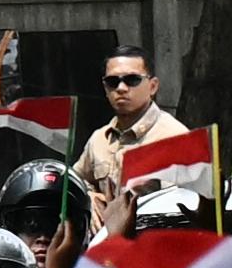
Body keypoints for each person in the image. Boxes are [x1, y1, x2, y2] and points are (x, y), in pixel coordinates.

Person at [73, 50, 196, 232]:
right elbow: (76, 181)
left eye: (132, 80)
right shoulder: (100, 139)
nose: (121, 88)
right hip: (104, 250)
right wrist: (88, 197)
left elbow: (184, 209)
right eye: (112, 82)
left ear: (153, 86)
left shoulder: (176, 139)